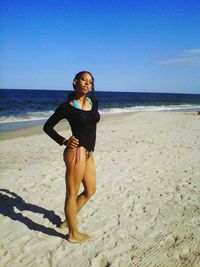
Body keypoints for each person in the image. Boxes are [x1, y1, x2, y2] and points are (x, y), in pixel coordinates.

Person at [43, 71, 100, 243]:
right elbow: (48, 127)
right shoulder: (66, 107)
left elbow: (91, 124)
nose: (87, 83)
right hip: (76, 152)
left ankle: (68, 221)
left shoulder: (94, 102)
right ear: (75, 82)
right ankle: (73, 234)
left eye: (90, 81)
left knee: (90, 190)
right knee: (72, 193)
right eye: (83, 80)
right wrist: (64, 141)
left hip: (89, 152)